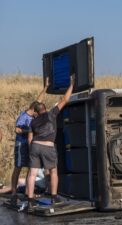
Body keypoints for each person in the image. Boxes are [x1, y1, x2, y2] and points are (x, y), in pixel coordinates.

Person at [27, 74, 75, 208]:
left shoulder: (33, 121)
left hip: (35, 146)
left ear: (36, 112)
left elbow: (30, 138)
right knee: (53, 171)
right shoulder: (51, 113)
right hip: (48, 147)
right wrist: (71, 85)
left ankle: (30, 200)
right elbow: (65, 100)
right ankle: (54, 197)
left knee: (32, 174)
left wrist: (32, 151)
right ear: (45, 109)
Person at [10, 79, 49, 205]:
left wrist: (46, 87)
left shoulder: (34, 113)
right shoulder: (24, 117)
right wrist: (29, 130)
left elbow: (39, 99)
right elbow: (17, 129)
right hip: (21, 144)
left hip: (30, 145)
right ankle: (14, 193)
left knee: (30, 168)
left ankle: (28, 191)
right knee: (18, 167)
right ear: (33, 110)